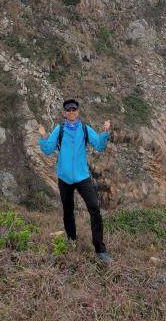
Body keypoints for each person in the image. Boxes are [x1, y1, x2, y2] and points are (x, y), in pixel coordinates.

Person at [37, 98, 113, 263]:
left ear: (77, 112)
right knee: (68, 211)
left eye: (74, 110)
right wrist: (43, 136)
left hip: (82, 176)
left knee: (94, 208)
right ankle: (71, 241)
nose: (71, 112)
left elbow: (99, 145)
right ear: (65, 113)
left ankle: (100, 249)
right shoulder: (60, 129)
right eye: (68, 110)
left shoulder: (85, 129)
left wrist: (105, 133)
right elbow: (48, 149)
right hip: (64, 177)